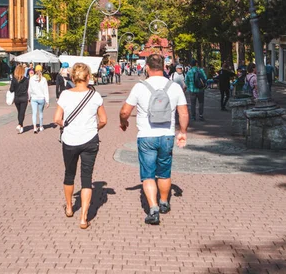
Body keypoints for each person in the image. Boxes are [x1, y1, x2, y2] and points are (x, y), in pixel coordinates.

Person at [119, 54, 188, 225]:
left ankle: (153, 209)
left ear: (147, 67)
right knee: (164, 172)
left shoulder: (140, 87)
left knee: (148, 175)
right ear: (165, 67)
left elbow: (125, 111)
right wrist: (183, 132)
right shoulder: (174, 87)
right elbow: (184, 113)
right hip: (167, 135)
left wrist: (124, 122)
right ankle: (164, 202)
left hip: (146, 136)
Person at [54, 63, 107, 230]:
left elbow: (57, 119)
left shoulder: (64, 95)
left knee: (69, 174)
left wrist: (67, 125)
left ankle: (69, 207)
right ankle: (83, 218)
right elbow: (104, 120)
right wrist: (93, 128)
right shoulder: (95, 96)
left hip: (69, 140)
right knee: (86, 179)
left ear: (72, 77)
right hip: (90, 140)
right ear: (88, 77)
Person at [28, 64, 49, 133]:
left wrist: (29, 97)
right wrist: (47, 101)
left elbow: (29, 89)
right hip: (41, 98)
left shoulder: (31, 78)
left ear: (35, 70)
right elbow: (46, 90)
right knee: (40, 112)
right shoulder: (43, 79)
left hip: (33, 98)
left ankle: (34, 127)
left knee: (34, 113)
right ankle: (41, 126)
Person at [10, 65, 30, 133]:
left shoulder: (14, 79)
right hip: (24, 98)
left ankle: (20, 125)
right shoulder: (26, 80)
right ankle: (20, 124)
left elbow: (11, 89)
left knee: (20, 112)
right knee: (22, 112)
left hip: (17, 98)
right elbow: (28, 88)